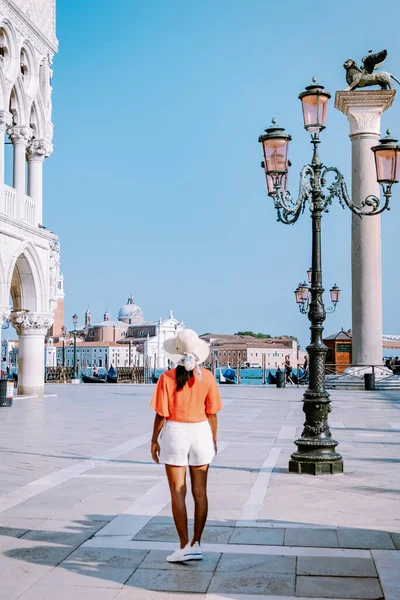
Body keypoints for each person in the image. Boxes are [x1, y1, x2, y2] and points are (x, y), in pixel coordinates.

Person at [150, 329, 223, 563]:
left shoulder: (167, 378)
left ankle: (183, 545)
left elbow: (161, 414)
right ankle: (197, 543)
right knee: (200, 492)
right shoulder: (208, 378)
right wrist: (213, 438)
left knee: (177, 492)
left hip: (175, 433)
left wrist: (153, 440)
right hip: (201, 431)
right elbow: (212, 414)